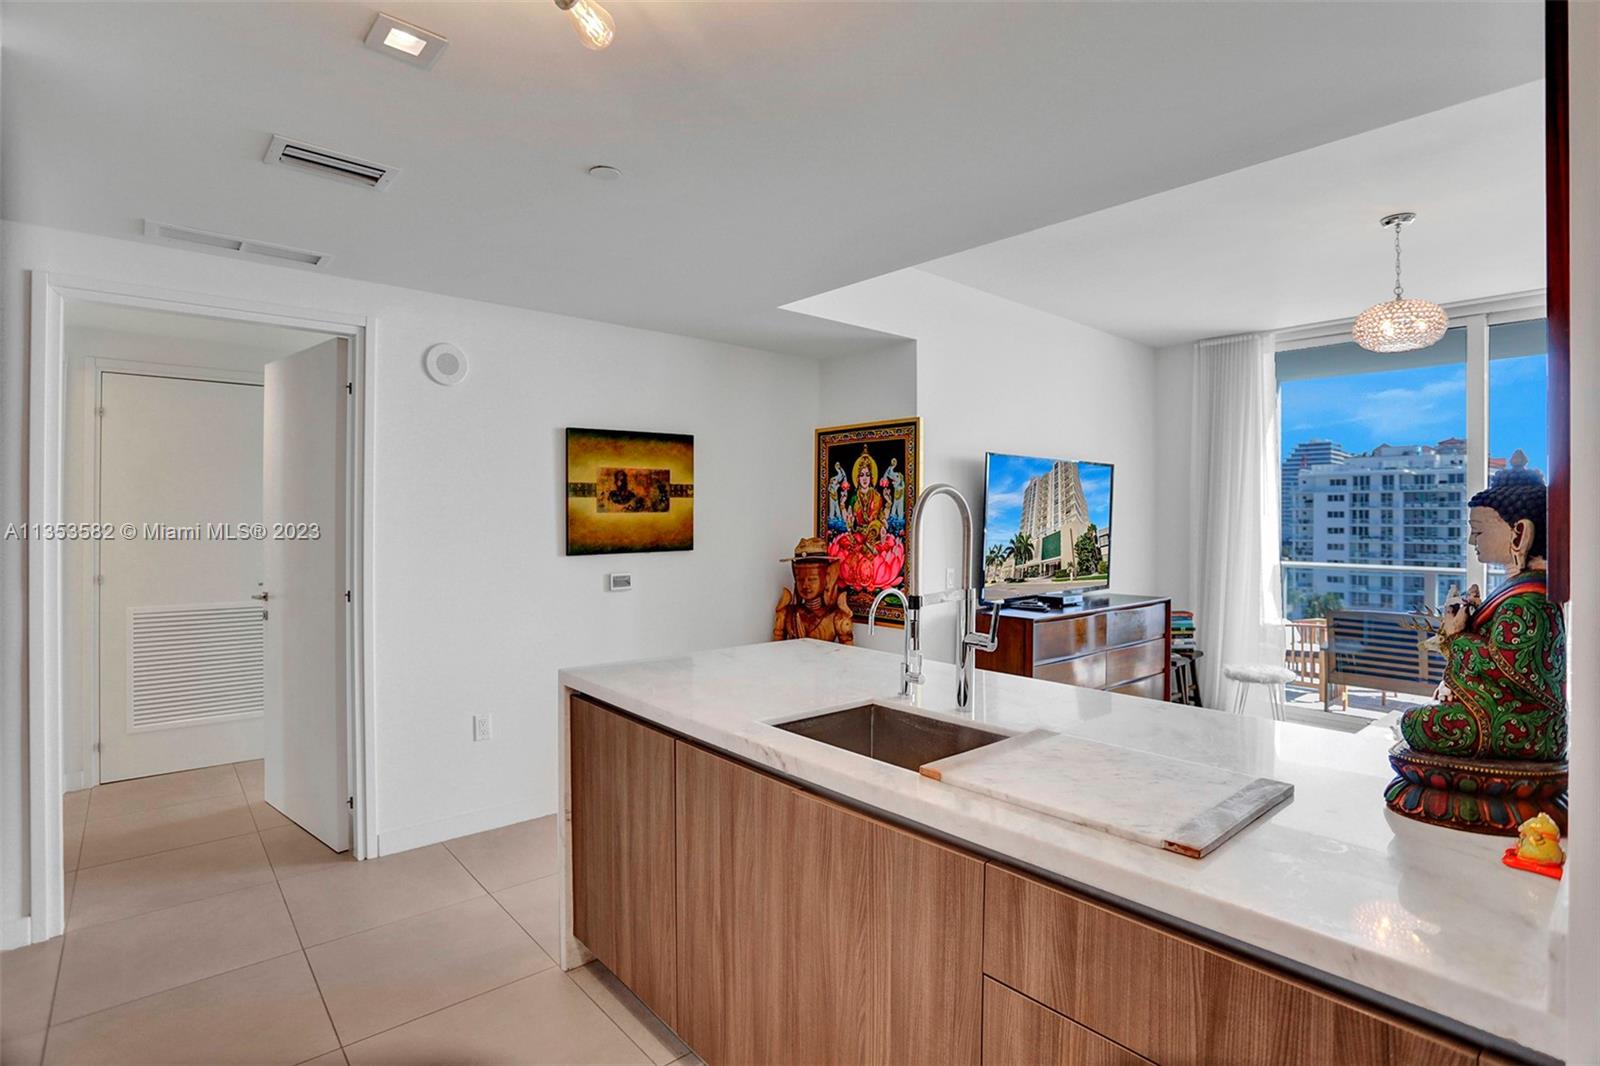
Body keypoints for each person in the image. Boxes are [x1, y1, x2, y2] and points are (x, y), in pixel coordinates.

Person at [1398, 453, 1566, 761]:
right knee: (1415, 722)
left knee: (1414, 723)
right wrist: (1471, 624)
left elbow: (1510, 671)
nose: (1471, 541)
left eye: (1478, 530)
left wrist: (1457, 635)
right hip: (1511, 717)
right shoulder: (1517, 589)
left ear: (1519, 534)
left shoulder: (1530, 599)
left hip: (1525, 728)